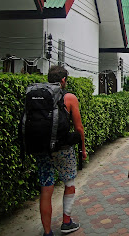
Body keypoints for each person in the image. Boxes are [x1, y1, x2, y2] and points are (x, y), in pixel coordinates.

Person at [36, 66, 87, 236]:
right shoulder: (69, 97)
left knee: (46, 189)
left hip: (42, 148)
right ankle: (66, 222)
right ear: (63, 80)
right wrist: (83, 149)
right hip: (63, 149)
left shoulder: (38, 95)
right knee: (69, 183)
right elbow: (79, 128)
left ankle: (47, 232)